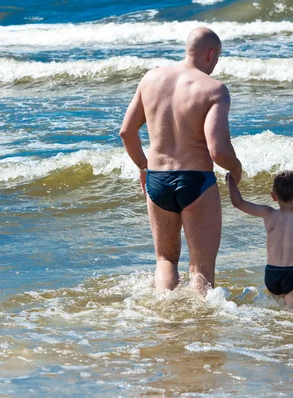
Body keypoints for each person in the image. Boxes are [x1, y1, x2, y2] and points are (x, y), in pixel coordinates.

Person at [119, 27, 243, 294]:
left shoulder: (151, 79)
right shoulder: (214, 90)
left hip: (157, 181)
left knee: (165, 261)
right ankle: (201, 326)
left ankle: (165, 320)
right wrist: (237, 168)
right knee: (201, 269)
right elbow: (218, 151)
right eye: (218, 58)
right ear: (211, 54)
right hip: (195, 181)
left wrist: (143, 166)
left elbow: (126, 132)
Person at [226, 170, 293, 309]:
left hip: (271, 273)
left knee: (276, 311)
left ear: (273, 196)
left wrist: (230, 180)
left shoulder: (268, 214)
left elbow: (238, 203)